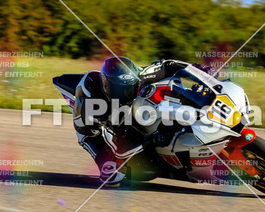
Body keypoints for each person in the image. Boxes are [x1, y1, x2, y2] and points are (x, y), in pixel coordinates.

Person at [73, 57, 189, 185]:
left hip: (119, 110)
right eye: (121, 90)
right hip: (93, 133)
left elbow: (168, 65)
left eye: (130, 88)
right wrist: (153, 140)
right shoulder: (98, 110)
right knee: (113, 176)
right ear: (107, 86)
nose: (127, 94)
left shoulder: (139, 75)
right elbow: (120, 149)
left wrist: (197, 69)